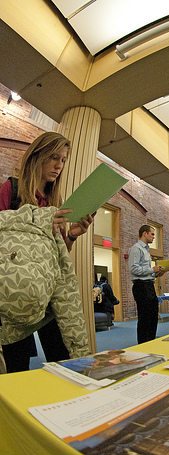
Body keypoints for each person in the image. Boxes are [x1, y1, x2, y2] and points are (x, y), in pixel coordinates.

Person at [0, 131, 95, 372]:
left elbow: (56, 256)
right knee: (15, 366)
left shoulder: (55, 201)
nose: (58, 165)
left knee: (63, 357)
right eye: (53, 157)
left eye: (63, 160)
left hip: (51, 291)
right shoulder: (11, 189)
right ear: (36, 156)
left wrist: (71, 235)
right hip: (17, 291)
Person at [128, 225, 166, 344]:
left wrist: (156, 274)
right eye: (152, 234)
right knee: (145, 318)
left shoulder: (146, 250)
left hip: (148, 285)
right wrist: (152, 270)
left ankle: (151, 343)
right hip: (141, 286)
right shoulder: (136, 248)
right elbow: (133, 269)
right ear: (144, 233)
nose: (154, 237)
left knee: (153, 317)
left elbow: (145, 272)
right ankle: (143, 345)